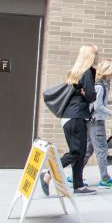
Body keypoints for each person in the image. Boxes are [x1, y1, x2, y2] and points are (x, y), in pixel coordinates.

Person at [42, 44, 98, 196]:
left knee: (79, 153)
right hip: (76, 117)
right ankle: (47, 174)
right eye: (95, 53)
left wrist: (83, 91)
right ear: (90, 56)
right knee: (76, 152)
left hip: (69, 117)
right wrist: (86, 92)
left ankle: (78, 186)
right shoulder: (86, 72)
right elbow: (91, 96)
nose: (97, 56)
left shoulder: (74, 72)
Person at [85, 58, 112, 189]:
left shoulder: (100, 85)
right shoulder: (100, 86)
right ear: (108, 72)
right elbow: (98, 106)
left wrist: (111, 102)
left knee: (88, 150)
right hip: (97, 122)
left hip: (92, 121)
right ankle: (105, 179)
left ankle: (75, 175)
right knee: (102, 150)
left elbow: (98, 103)